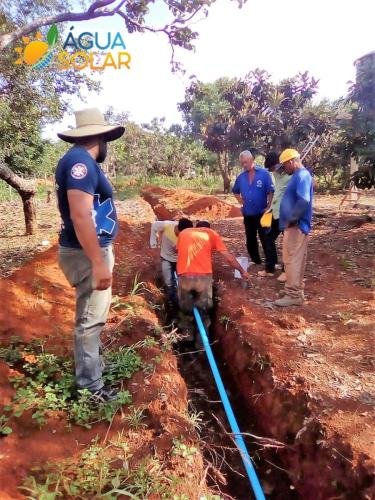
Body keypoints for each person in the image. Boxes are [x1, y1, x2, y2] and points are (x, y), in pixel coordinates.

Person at [55, 107, 125, 402]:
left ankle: (93, 369)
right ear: (100, 137)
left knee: (91, 315)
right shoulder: (79, 163)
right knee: (90, 320)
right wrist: (98, 262)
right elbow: (81, 215)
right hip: (86, 254)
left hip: (90, 250)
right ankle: (91, 389)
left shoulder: (80, 161)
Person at [177, 222, 249, 346]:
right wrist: (242, 271)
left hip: (184, 276)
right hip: (203, 278)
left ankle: (186, 339)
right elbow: (229, 258)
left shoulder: (184, 233)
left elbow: (177, 249)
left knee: (186, 309)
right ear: (208, 228)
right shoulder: (211, 234)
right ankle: (201, 344)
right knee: (203, 311)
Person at [274, 149, 313, 307]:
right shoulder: (299, 175)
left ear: (291, 162)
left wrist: (291, 219)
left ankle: (293, 294)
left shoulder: (302, 175)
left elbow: (303, 200)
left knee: (291, 260)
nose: (285, 169)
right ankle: (296, 289)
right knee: (297, 259)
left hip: (296, 226)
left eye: (285, 166)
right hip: (295, 225)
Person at [232, 150, 274, 270]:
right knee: (250, 238)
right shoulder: (241, 177)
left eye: (246, 162)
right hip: (248, 214)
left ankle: (270, 263)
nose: (244, 165)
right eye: (242, 163)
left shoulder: (264, 174)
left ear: (252, 160)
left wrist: (268, 206)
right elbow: (235, 191)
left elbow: (271, 191)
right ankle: (256, 260)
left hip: (262, 213)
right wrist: (240, 201)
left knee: (265, 238)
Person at [149, 218, 193, 307]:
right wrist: (153, 244)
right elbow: (154, 226)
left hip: (180, 260)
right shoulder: (167, 225)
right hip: (166, 258)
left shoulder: (189, 235)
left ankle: (185, 302)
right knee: (168, 282)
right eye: (182, 234)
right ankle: (172, 304)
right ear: (178, 228)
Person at [261, 152, 291, 280]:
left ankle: (287, 271)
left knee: (288, 243)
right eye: (270, 169)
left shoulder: (293, 175)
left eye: (273, 168)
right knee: (268, 239)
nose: (272, 171)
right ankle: (270, 268)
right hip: (275, 212)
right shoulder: (276, 173)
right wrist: (269, 208)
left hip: (287, 214)